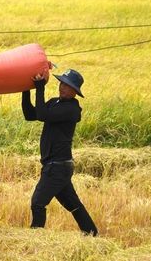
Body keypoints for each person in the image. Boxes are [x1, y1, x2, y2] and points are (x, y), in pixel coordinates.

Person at [21, 69, 98, 236]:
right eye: (62, 83)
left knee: (37, 203)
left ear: (75, 91)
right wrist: (25, 89)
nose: (62, 87)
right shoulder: (55, 102)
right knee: (74, 205)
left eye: (67, 85)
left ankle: (35, 238)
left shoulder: (71, 109)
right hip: (58, 166)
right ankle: (92, 234)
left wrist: (39, 87)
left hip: (57, 167)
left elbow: (42, 115)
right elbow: (30, 114)